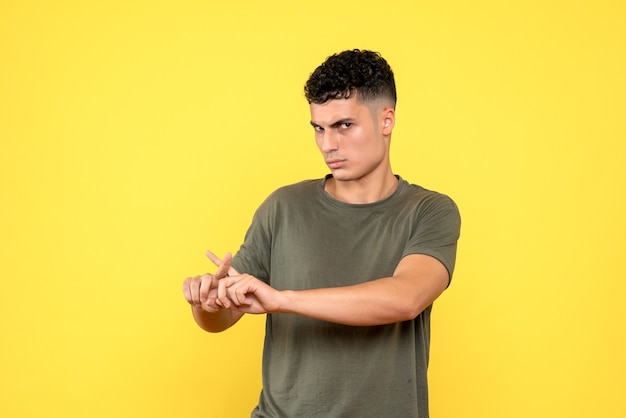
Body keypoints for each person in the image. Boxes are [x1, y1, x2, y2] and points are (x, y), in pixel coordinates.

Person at [182, 49, 461, 418]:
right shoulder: (283, 207)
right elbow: (223, 317)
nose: (328, 145)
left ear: (386, 120)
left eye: (344, 125)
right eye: (319, 128)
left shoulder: (429, 211)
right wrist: (206, 305)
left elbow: (406, 298)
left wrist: (282, 299)